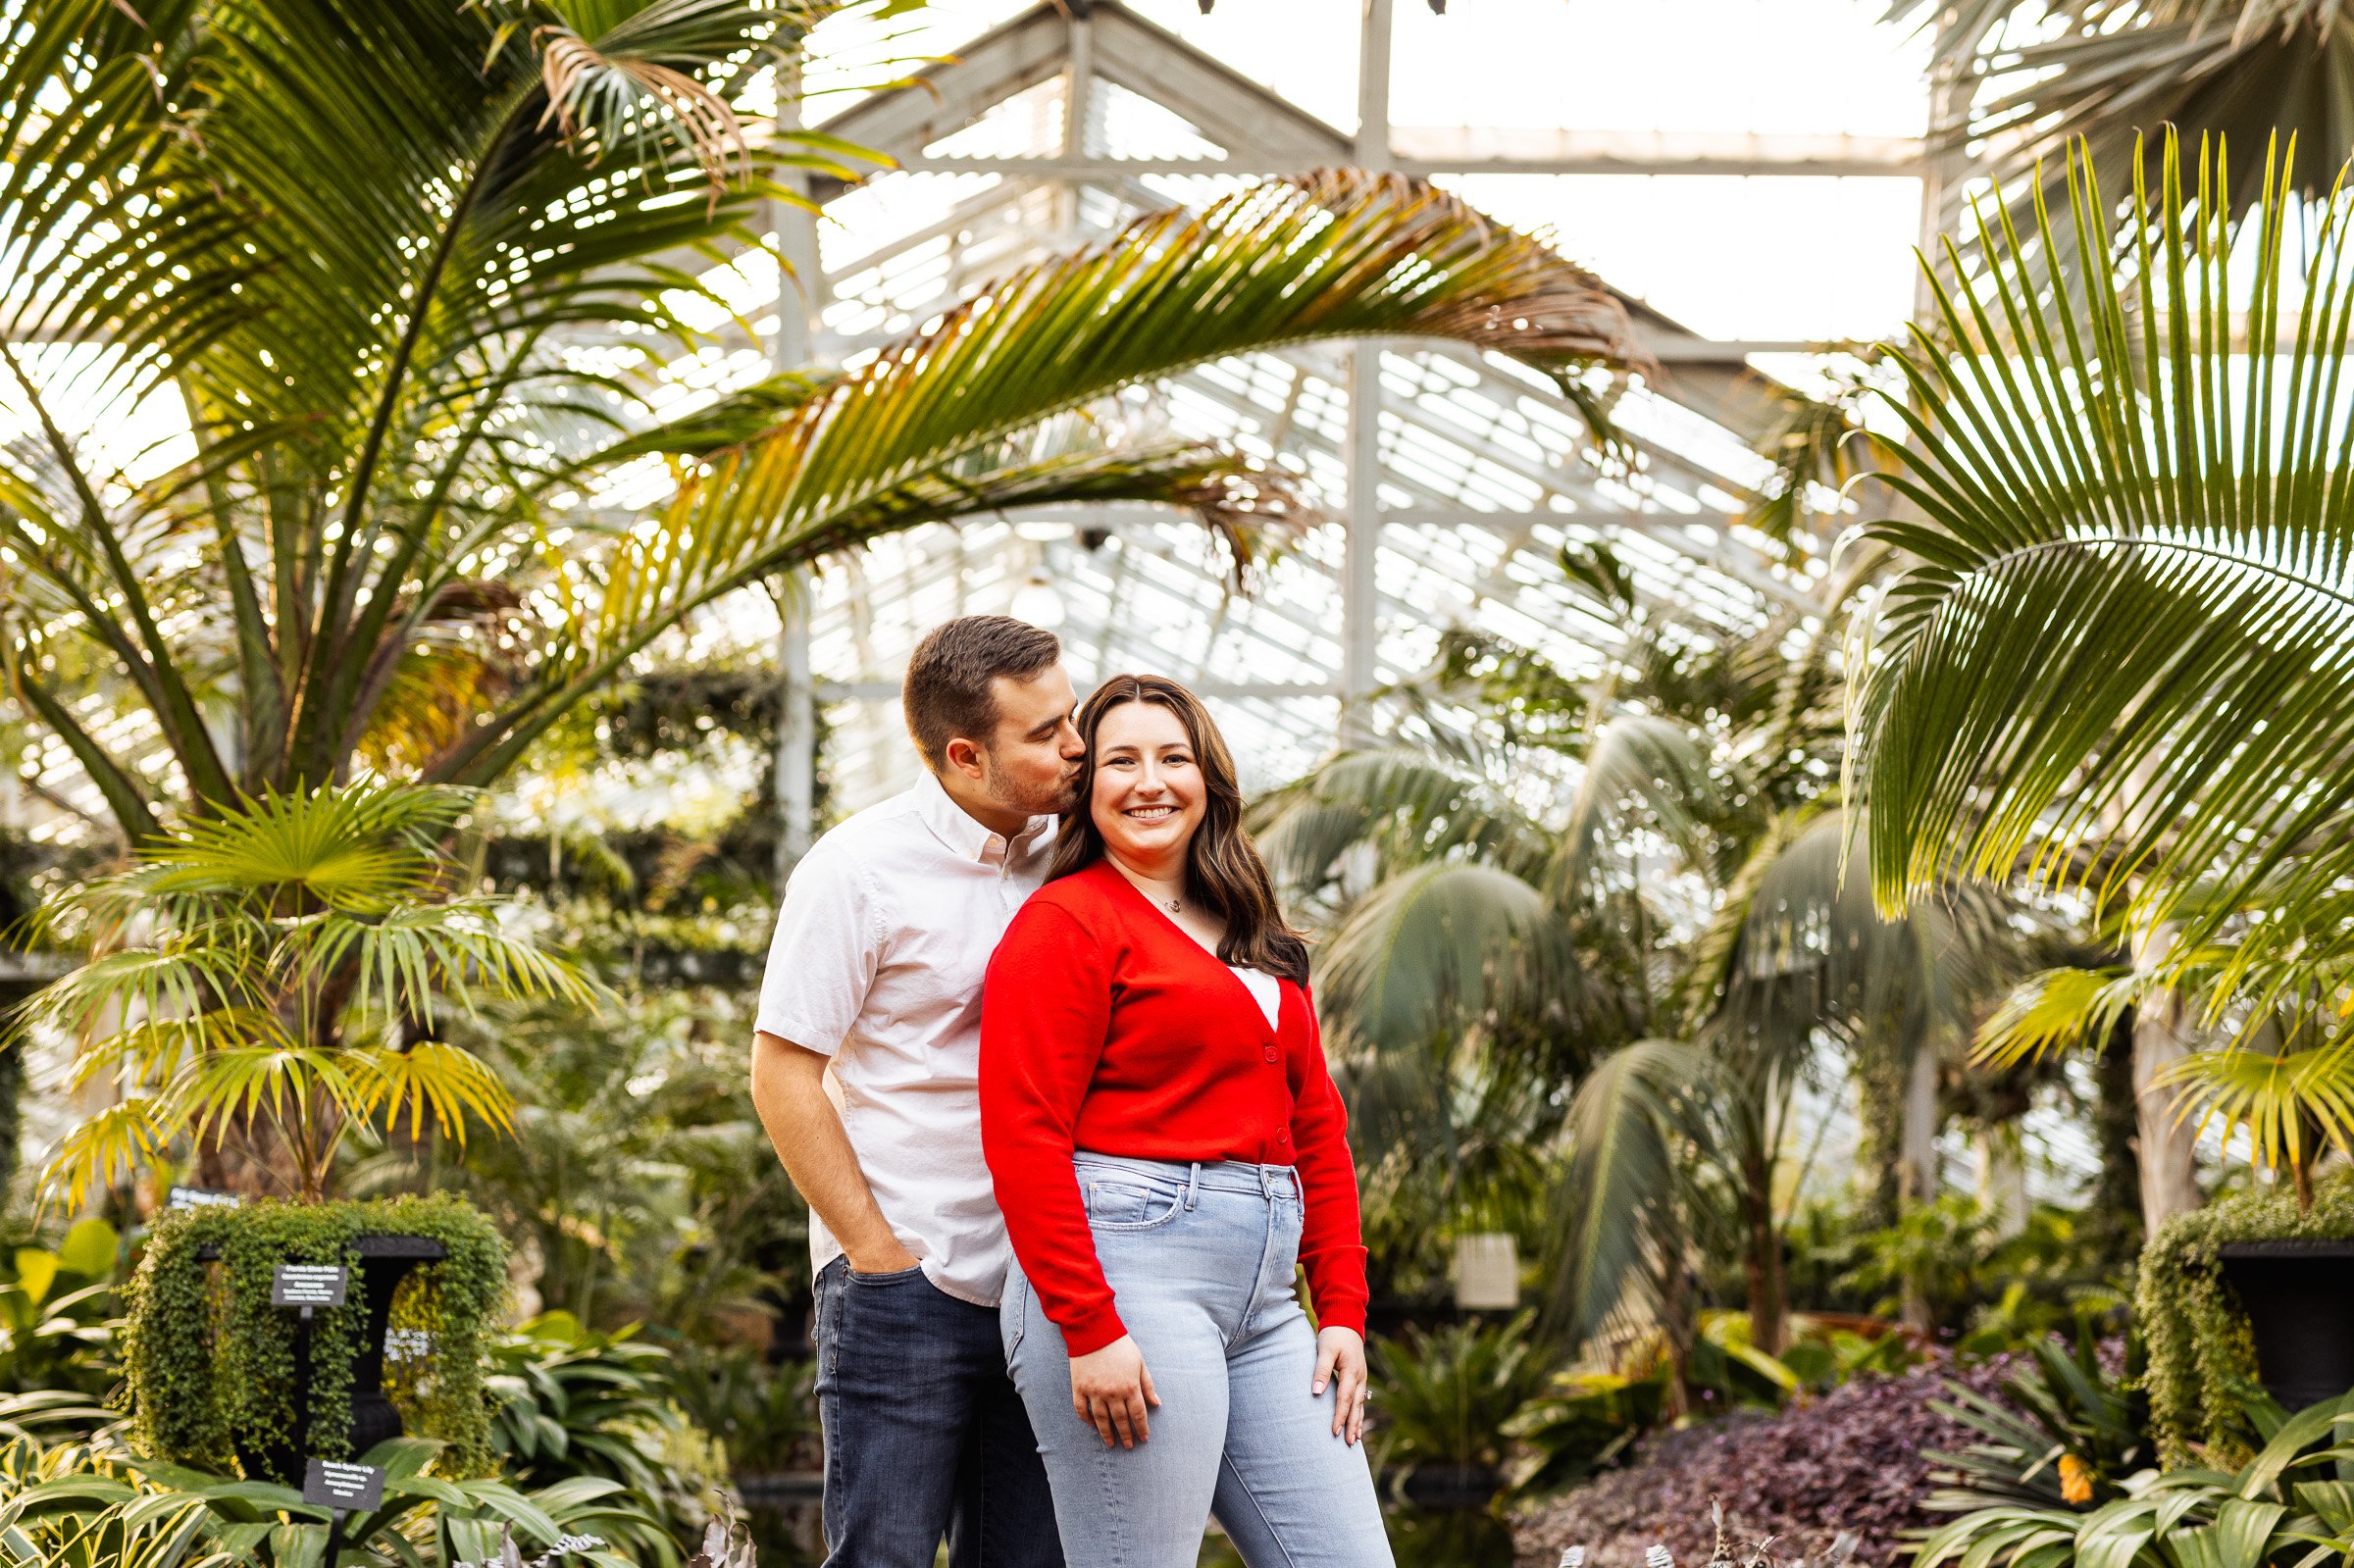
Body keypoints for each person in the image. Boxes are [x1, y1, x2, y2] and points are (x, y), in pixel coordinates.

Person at [979, 673, 1396, 1568]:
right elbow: (1024, 1133)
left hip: (1269, 1305)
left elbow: (1317, 1131)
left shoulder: (1257, 936)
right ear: (1087, 788)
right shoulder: (1067, 923)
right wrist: (1089, 1327)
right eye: (1119, 760)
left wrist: (1344, 1309)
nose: (1149, 781)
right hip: (1130, 1282)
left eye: (1173, 756)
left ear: (1209, 776)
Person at [748, 615, 1080, 1568]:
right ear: (967, 756)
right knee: (883, 1557)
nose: (1076, 747)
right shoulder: (857, 872)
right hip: (907, 1282)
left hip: (1044, 1286)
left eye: (1071, 718)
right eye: (1046, 733)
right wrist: (874, 1252)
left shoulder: (1069, 847)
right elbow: (782, 1070)